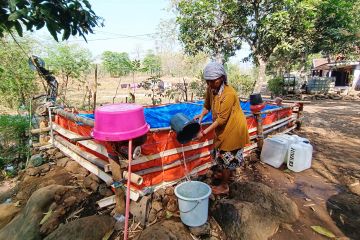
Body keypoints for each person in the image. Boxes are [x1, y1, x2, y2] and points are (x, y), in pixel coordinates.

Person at [194, 62, 250, 194]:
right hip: (222, 128)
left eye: (213, 81)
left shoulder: (229, 94)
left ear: (222, 78)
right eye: (207, 82)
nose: (210, 85)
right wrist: (201, 115)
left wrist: (203, 132)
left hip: (234, 128)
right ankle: (227, 175)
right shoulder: (211, 89)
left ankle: (224, 186)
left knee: (227, 156)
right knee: (222, 155)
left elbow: (221, 119)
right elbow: (207, 105)